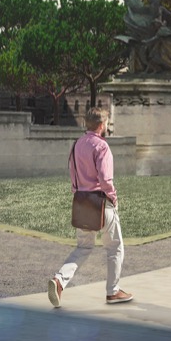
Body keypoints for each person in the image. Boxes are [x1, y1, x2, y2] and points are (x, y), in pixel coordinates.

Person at [47, 107, 132, 307]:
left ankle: (59, 281)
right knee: (115, 247)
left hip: (81, 200)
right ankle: (113, 291)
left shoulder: (76, 145)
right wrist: (113, 197)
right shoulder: (101, 147)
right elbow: (105, 179)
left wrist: (78, 191)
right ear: (102, 125)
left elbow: (73, 173)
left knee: (83, 247)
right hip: (101, 203)